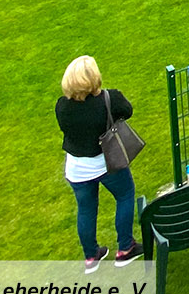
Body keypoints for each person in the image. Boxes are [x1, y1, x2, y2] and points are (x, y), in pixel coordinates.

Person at [55, 55, 141, 272]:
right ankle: (125, 248)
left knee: (85, 209)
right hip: (106, 163)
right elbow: (127, 111)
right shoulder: (109, 100)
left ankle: (91, 256)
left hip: (77, 169)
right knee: (124, 195)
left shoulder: (62, 107)